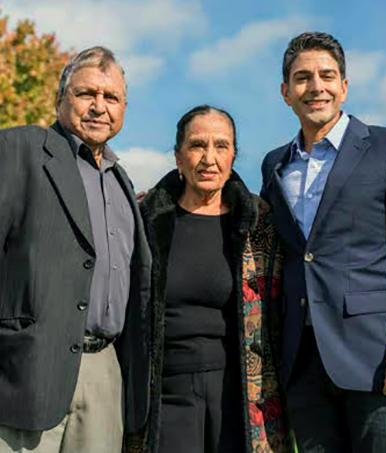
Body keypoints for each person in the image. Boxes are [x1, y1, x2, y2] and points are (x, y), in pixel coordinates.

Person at [0, 46, 151, 452]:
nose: (99, 107)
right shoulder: (20, 149)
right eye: (87, 94)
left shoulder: (122, 182)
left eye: (111, 97)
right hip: (26, 371)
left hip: (105, 372)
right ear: (60, 98)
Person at [260, 31, 386, 452]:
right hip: (303, 363)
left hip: (376, 359)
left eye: (327, 75)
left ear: (344, 86)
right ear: (285, 92)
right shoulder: (273, 165)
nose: (315, 87)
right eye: (302, 78)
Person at [134, 105, 291, 453]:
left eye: (221, 146)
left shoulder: (259, 222)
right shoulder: (144, 221)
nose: (209, 158)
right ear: (178, 156)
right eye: (196, 145)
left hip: (239, 394)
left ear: (234, 155)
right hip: (163, 394)